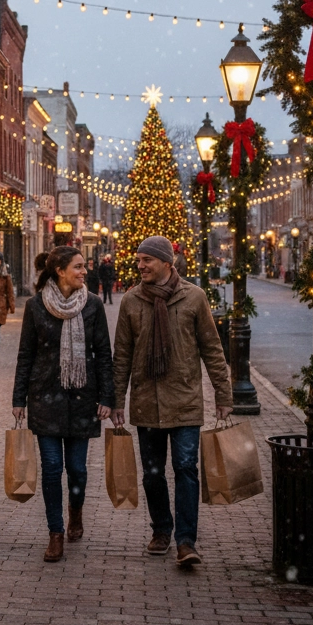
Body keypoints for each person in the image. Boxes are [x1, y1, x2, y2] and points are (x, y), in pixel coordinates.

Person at [112, 236, 233, 568]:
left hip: (185, 399)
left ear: (167, 263)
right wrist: (116, 401)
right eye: (138, 260)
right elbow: (121, 355)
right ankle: (161, 530)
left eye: (147, 260)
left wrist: (224, 394)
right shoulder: (132, 301)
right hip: (146, 401)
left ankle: (185, 541)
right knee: (152, 474)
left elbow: (212, 348)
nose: (140, 266)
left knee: (185, 469)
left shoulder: (193, 298)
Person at [12, 246, 115, 563]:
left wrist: (108, 397)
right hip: (44, 395)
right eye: (79, 267)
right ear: (60, 270)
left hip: (83, 397)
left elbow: (102, 356)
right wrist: (18, 399)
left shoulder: (93, 306)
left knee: (78, 470)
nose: (85, 271)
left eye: (85, 267)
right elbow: (26, 354)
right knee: (52, 469)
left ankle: (76, 511)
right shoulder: (35, 306)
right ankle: (55, 533)